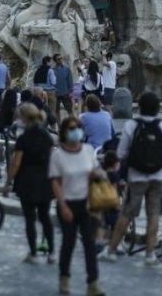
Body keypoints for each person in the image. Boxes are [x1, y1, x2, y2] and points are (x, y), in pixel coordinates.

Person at [99, 92, 162, 266]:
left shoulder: (132, 126)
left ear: (139, 106)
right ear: (157, 108)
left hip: (136, 176)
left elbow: (121, 153)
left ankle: (111, 250)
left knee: (126, 213)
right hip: (158, 177)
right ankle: (150, 254)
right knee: (153, 214)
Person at [49, 117, 105, 296]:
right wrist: (63, 205)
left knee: (89, 243)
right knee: (69, 242)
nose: (76, 131)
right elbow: (55, 182)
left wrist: (96, 175)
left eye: (79, 128)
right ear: (65, 132)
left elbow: (97, 172)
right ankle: (64, 278)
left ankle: (93, 283)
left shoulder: (88, 150)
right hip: (67, 203)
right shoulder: (58, 155)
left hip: (87, 203)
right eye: (73, 128)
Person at [3, 103, 55, 265]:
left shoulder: (23, 139)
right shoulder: (47, 136)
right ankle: (52, 252)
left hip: (27, 181)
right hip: (46, 180)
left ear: (24, 118)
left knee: (30, 219)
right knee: (45, 217)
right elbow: (53, 159)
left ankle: (33, 253)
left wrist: (8, 182)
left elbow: (16, 163)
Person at [53, 53, 74, 121]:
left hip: (66, 93)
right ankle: (59, 127)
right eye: (58, 59)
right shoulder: (52, 70)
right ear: (55, 61)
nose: (60, 60)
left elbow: (70, 80)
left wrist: (71, 92)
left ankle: (72, 124)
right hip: (56, 93)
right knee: (56, 111)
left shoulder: (67, 69)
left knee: (69, 110)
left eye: (61, 58)